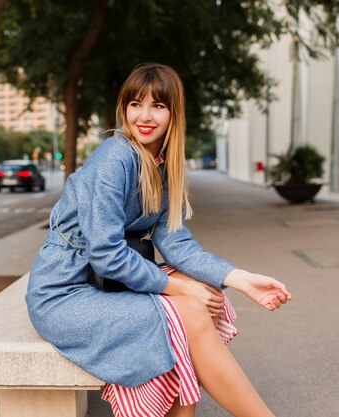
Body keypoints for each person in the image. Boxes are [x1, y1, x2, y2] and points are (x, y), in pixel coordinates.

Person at [26, 63, 292, 417]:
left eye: (158, 106)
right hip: (64, 294)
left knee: (206, 297)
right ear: (124, 108)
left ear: (173, 113)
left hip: (104, 285)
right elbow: (106, 255)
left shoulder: (162, 162)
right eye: (135, 104)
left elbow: (176, 243)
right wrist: (180, 289)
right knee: (190, 308)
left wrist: (241, 279)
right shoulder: (113, 160)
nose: (144, 116)